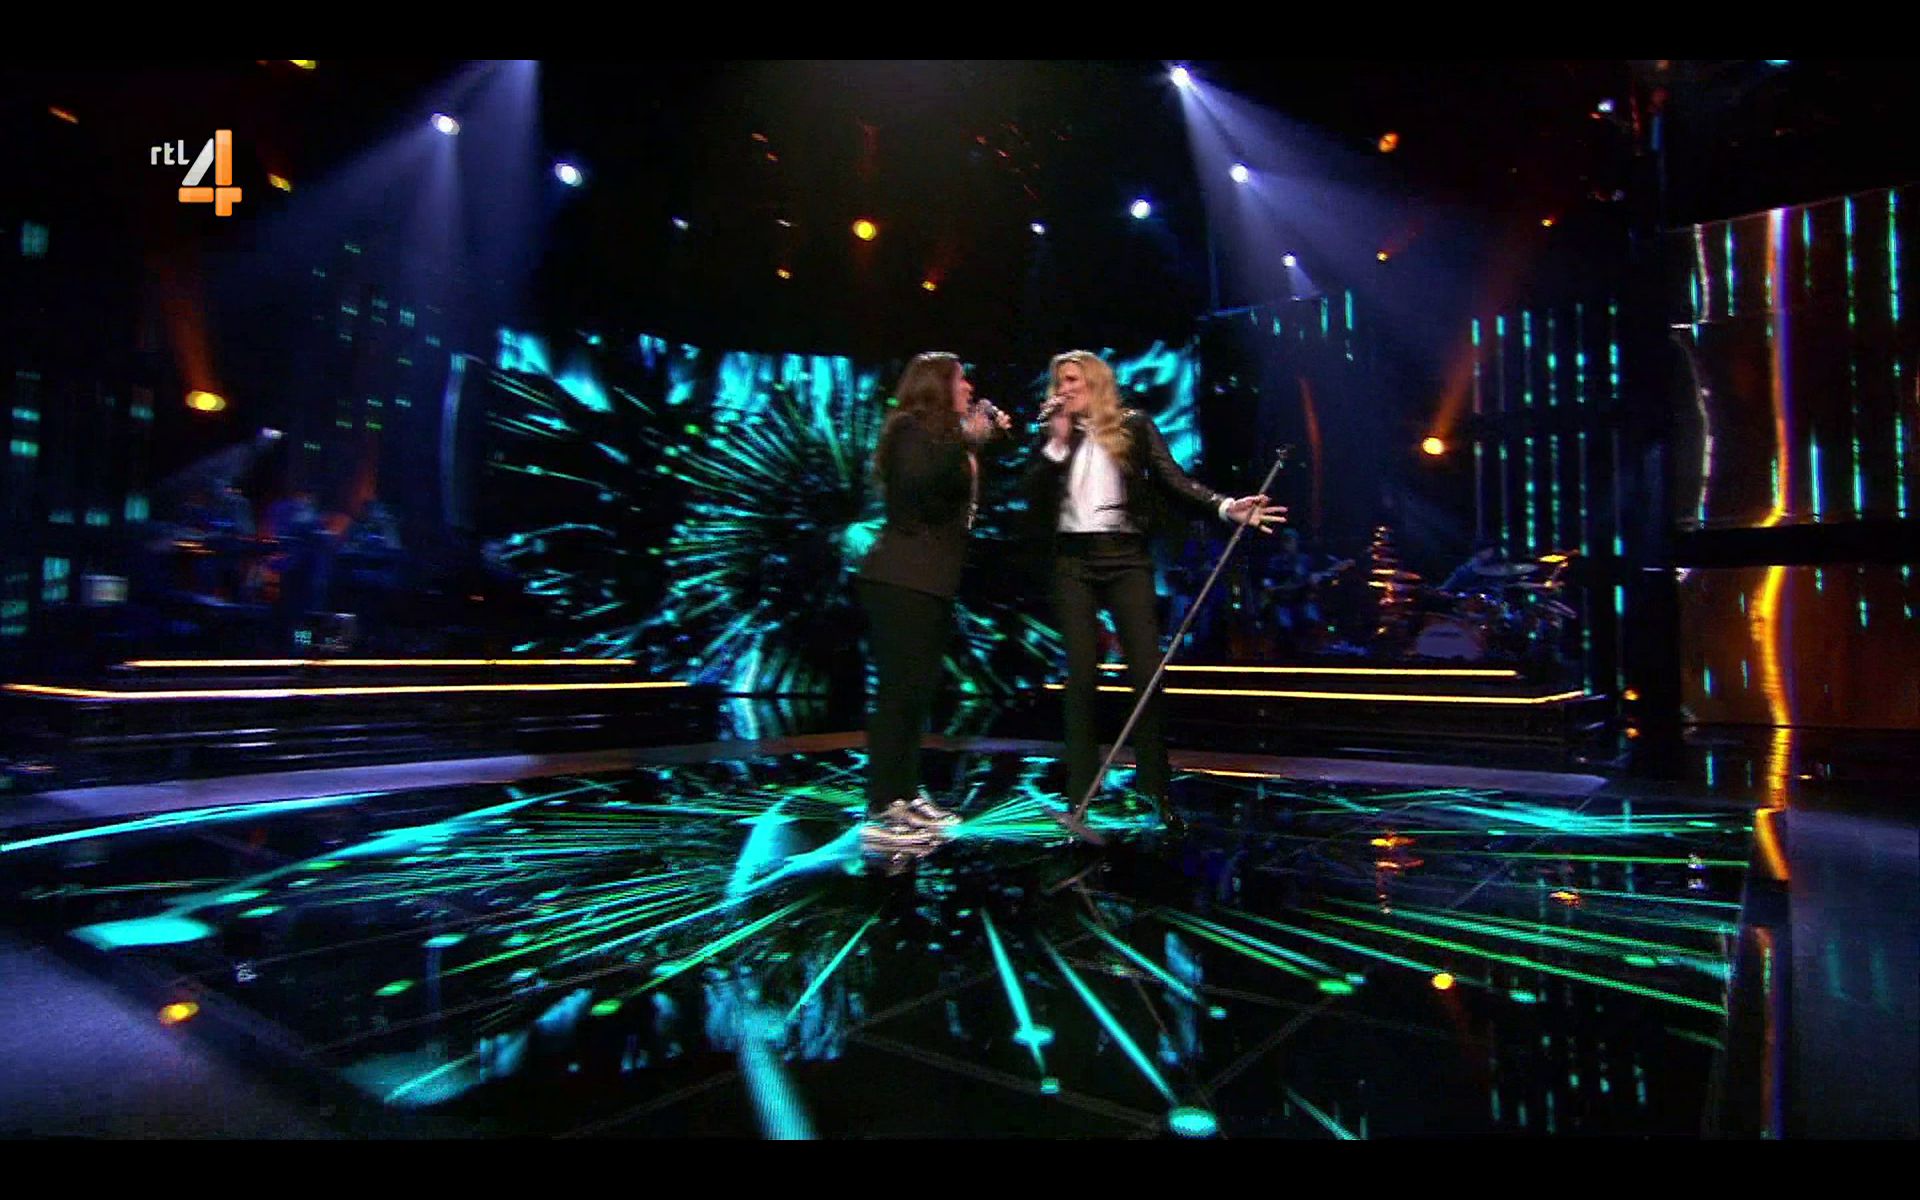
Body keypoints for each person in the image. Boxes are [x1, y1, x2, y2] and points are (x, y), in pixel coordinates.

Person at [1026, 350, 1282, 834]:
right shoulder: (1052, 436)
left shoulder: (1133, 426)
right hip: (1073, 562)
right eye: (1059, 382)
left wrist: (1225, 506)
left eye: (1073, 380)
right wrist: (1055, 444)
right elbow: (1033, 499)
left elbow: (1172, 478)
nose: (1065, 389)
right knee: (1081, 677)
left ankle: (1155, 791)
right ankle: (1079, 796)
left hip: (1125, 557)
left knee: (1145, 675)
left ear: (1096, 382)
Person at [854, 351, 1009, 858]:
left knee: (917, 695)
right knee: (898, 694)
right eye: (961, 380)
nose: (969, 388)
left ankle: (904, 794)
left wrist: (983, 442)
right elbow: (919, 487)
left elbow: (960, 502)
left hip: (933, 582)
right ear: (937, 386)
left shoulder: (944, 439)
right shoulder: (908, 430)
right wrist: (967, 439)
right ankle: (881, 808)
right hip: (900, 579)